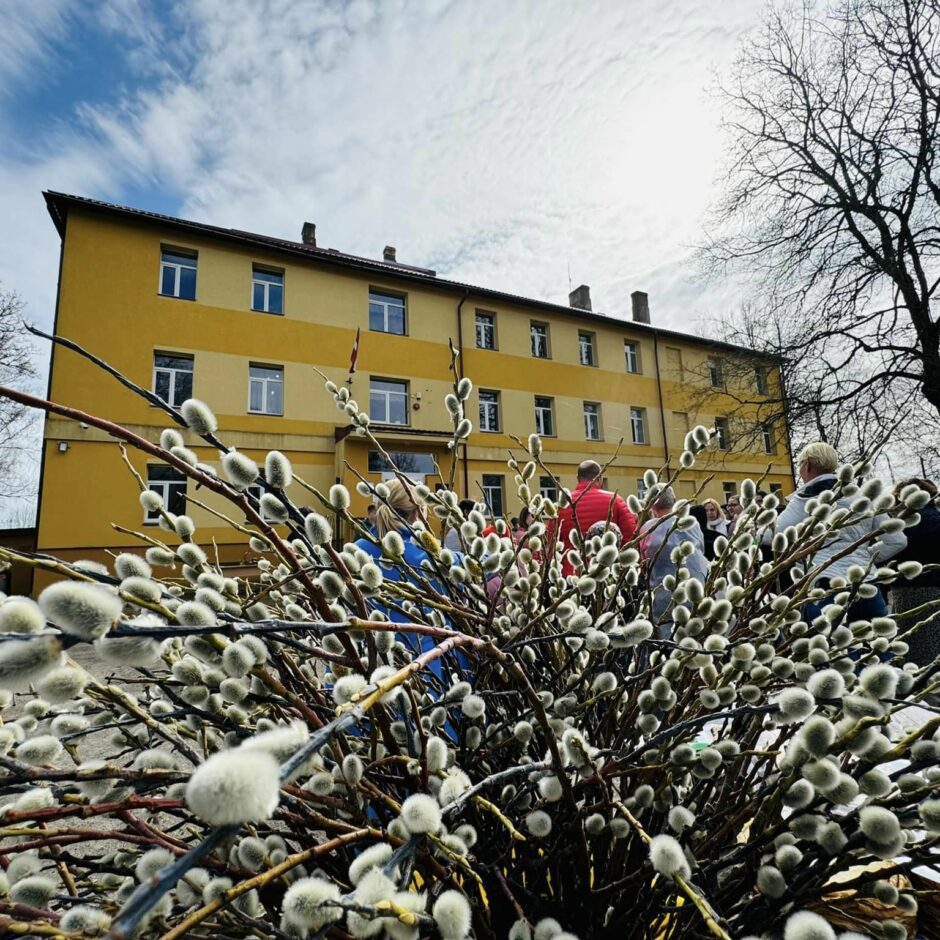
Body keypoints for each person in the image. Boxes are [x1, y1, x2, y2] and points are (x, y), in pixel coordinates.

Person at [774, 442, 907, 624]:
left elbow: (772, 535)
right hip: (866, 583)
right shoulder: (864, 495)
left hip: (826, 587)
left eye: (800, 465)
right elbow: (897, 540)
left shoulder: (806, 497)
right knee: (880, 647)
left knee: (837, 649)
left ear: (808, 465)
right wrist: (862, 557)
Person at [639, 486, 709, 637]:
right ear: (675, 501)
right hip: (696, 590)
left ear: (650, 505)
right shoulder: (692, 523)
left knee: (668, 641)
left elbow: (644, 563)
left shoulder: (647, 528)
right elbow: (700, 550)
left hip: (663, 600)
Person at [550, 461, 637, 577]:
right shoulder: (615, 501)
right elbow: (631, 537)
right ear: (600, 478)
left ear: (577, 478)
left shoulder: (562, 506)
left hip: (572, 574)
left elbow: (550, 543)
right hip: (608, 573)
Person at [890, 478, 940, 667]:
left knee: (909, 642)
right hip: (936, 588)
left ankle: (915, 686)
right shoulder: (937, 518)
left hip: (906, 589)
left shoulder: (900, 524)